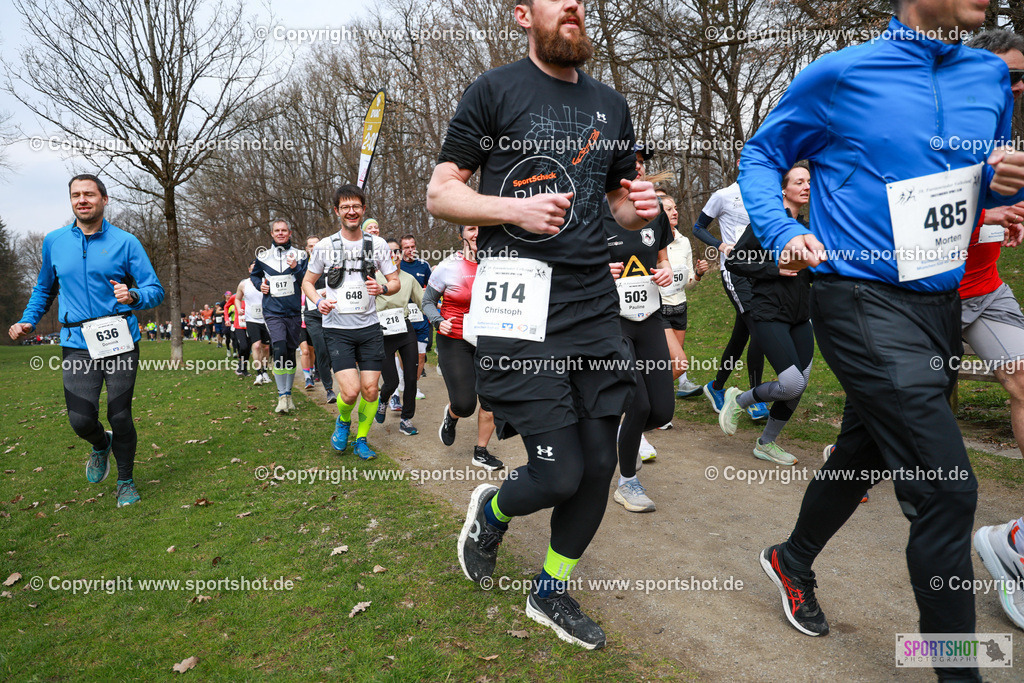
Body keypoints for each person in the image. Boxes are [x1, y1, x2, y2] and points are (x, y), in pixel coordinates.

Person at [739, 5, 1024, 680]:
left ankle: (792, 556)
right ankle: (958, 669)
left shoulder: (988, 76)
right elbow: (762, 153)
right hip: (858, 296)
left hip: (939, 305)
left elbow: (963, 180)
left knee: (865, 453)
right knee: (947, 488)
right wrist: (782, 232)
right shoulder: (842, 73)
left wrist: (995, 189)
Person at [426, 0, 658, 649]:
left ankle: (549, 590)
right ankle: (493, 509)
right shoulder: (494, 90)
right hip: (519, 301)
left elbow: (615, 200)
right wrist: (514, 210)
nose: (577, 6)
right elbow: (441, 191)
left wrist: (635, 208)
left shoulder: (611, 105)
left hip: (591, 301)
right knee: (557, 473)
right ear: (524, 15)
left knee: (599, 465)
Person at [9, 174, 164, 508]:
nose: (82, 200)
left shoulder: (126, 242)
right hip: (76, 340)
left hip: (119, 337)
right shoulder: (54, 241)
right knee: (80, 420)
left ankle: (125, 482)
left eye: (89, 194)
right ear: (71, 201)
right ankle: (100, 444)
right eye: (76, 195)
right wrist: (28, 320)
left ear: (103, 200)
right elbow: (44, 289)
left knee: (120, 414)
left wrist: (133, 295)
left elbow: (155, 290)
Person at [963, 28, 1024, 634]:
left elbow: (1006, 208)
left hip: (985, 292)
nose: (1017, 86)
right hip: (919, 301)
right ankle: (795, 557)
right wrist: (986, 212)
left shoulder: (1009, 145)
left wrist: (1011, 220)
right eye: (1007, 75)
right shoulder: (931, 128)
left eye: (1022, 76)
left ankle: (1017, 541)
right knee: (879, 428)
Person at [719, 163, 813, 466]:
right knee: (792, 384)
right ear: (783, 189)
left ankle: (766, 443)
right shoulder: (765, 222)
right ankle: (739, 399)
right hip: (769, 313)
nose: (806, 186)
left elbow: (809, 273)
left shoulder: (809, 227)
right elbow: (735, 262)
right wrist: (775, 269)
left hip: (801, 315)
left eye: (808, 181)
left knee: (801, 380)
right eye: (799, 181)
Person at [303, 184, 399, 459]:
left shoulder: (377, 245)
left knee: (370, 390)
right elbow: (307, 283)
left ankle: (361, 439)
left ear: (363, 209)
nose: (351, 211)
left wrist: (382, 288)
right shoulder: (324, 246)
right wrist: (319, 302)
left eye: (356, 206)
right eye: (345, 207)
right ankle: (343, 421)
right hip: (337, 329)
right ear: (337, 211)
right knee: (351, 391)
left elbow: (394, 282)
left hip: (369, 329)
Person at [605, 155, 675, 513]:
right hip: (611, 321)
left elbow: (661, 258)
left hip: (649, 315)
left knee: (662, 411)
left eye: (642, 162)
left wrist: (664, 271)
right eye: (630, 161)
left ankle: (620, 435)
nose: (638, 167)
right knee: (640, 403)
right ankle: (627, 482)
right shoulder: (596, 209)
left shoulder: (655, 210)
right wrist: (602, 271)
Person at [421, 225, 501, 470]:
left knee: (491, 399)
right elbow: (428, 302)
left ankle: (481, 452)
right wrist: (438, 321)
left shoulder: (499, 264)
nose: (477, 234)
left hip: (488, 339)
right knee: (465, 404)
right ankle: (452, 414)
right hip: (454, 337)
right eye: (471, 228)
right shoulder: (448, 266)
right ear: (462, 235)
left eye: (481, 228)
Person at [692, 176, 769, 421]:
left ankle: (716, 386)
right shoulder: (723, 195)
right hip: (735, 272)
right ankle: (755, 399)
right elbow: (697, 227)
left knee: (741, 335)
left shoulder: (765, 195)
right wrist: (720, 245)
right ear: (740, 163)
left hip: (759, 271)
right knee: (759, 330)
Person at [251, 220, 307, 414]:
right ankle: (281, 395)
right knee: (280, 348)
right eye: (277, 231)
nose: (281, 233)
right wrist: (260, 286)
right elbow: (255, 276)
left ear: (290, 233)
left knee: (290, 352)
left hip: (293, 312)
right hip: (272, 311)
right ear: (272, 234)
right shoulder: (263, 256)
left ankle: (288, 394)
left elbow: (307, 280)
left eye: (284, 230)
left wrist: (296, 268)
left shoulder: (301, 255)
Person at [658, 191, 709, 400]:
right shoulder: (651, 242)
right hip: (659, 309)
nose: (675, 212)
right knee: (678, 363)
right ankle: (648, 397)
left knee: (673, 367)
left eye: (675, 208)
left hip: (680, 309)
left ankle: (658, 407)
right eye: (669, 209)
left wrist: (697, 274)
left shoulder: (684, 242)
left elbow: (687, 285)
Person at [374, 238, 424, 436]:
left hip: (404, 328)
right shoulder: (375, 278)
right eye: (389, 252)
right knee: (392, 382)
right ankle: (384, 400)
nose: (393, 255)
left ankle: (406, 419)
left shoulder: (409, 279)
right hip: (383, 332)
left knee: (411, 377)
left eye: (397, 251)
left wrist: (441, 312)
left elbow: (423, 301)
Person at [302, 235, 337, 403]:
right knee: (321, 349)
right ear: (307, 249)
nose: (314, 248)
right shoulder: (302, 266)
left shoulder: (331, 262)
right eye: (310, 246)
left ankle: (324, 371)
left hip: (331, 312)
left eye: (316, 245)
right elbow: (300, 287)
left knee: (332, 350)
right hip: (312, 314)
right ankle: (329, 389)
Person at [400, 233, 433, 395]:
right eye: (406, 247)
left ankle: (413, 386)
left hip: (421, 317)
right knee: (406, 356)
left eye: (412, 246)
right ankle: (403, 383)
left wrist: (427, 291)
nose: (410, 250)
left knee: (420, 357)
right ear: (401, 249)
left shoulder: (423, 265)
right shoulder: (396, 266)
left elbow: (434, 287)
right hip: (403, 318)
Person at [238, 262, 271, 386]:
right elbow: (237, 298)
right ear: (249, 270)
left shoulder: (266, 281)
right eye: (252, 269)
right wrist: (239, 308)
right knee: (256, 345)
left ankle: (265, 371)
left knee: (266, 347)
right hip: (251, 319)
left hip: (266, 319)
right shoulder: (243, 284)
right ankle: (258, 374)